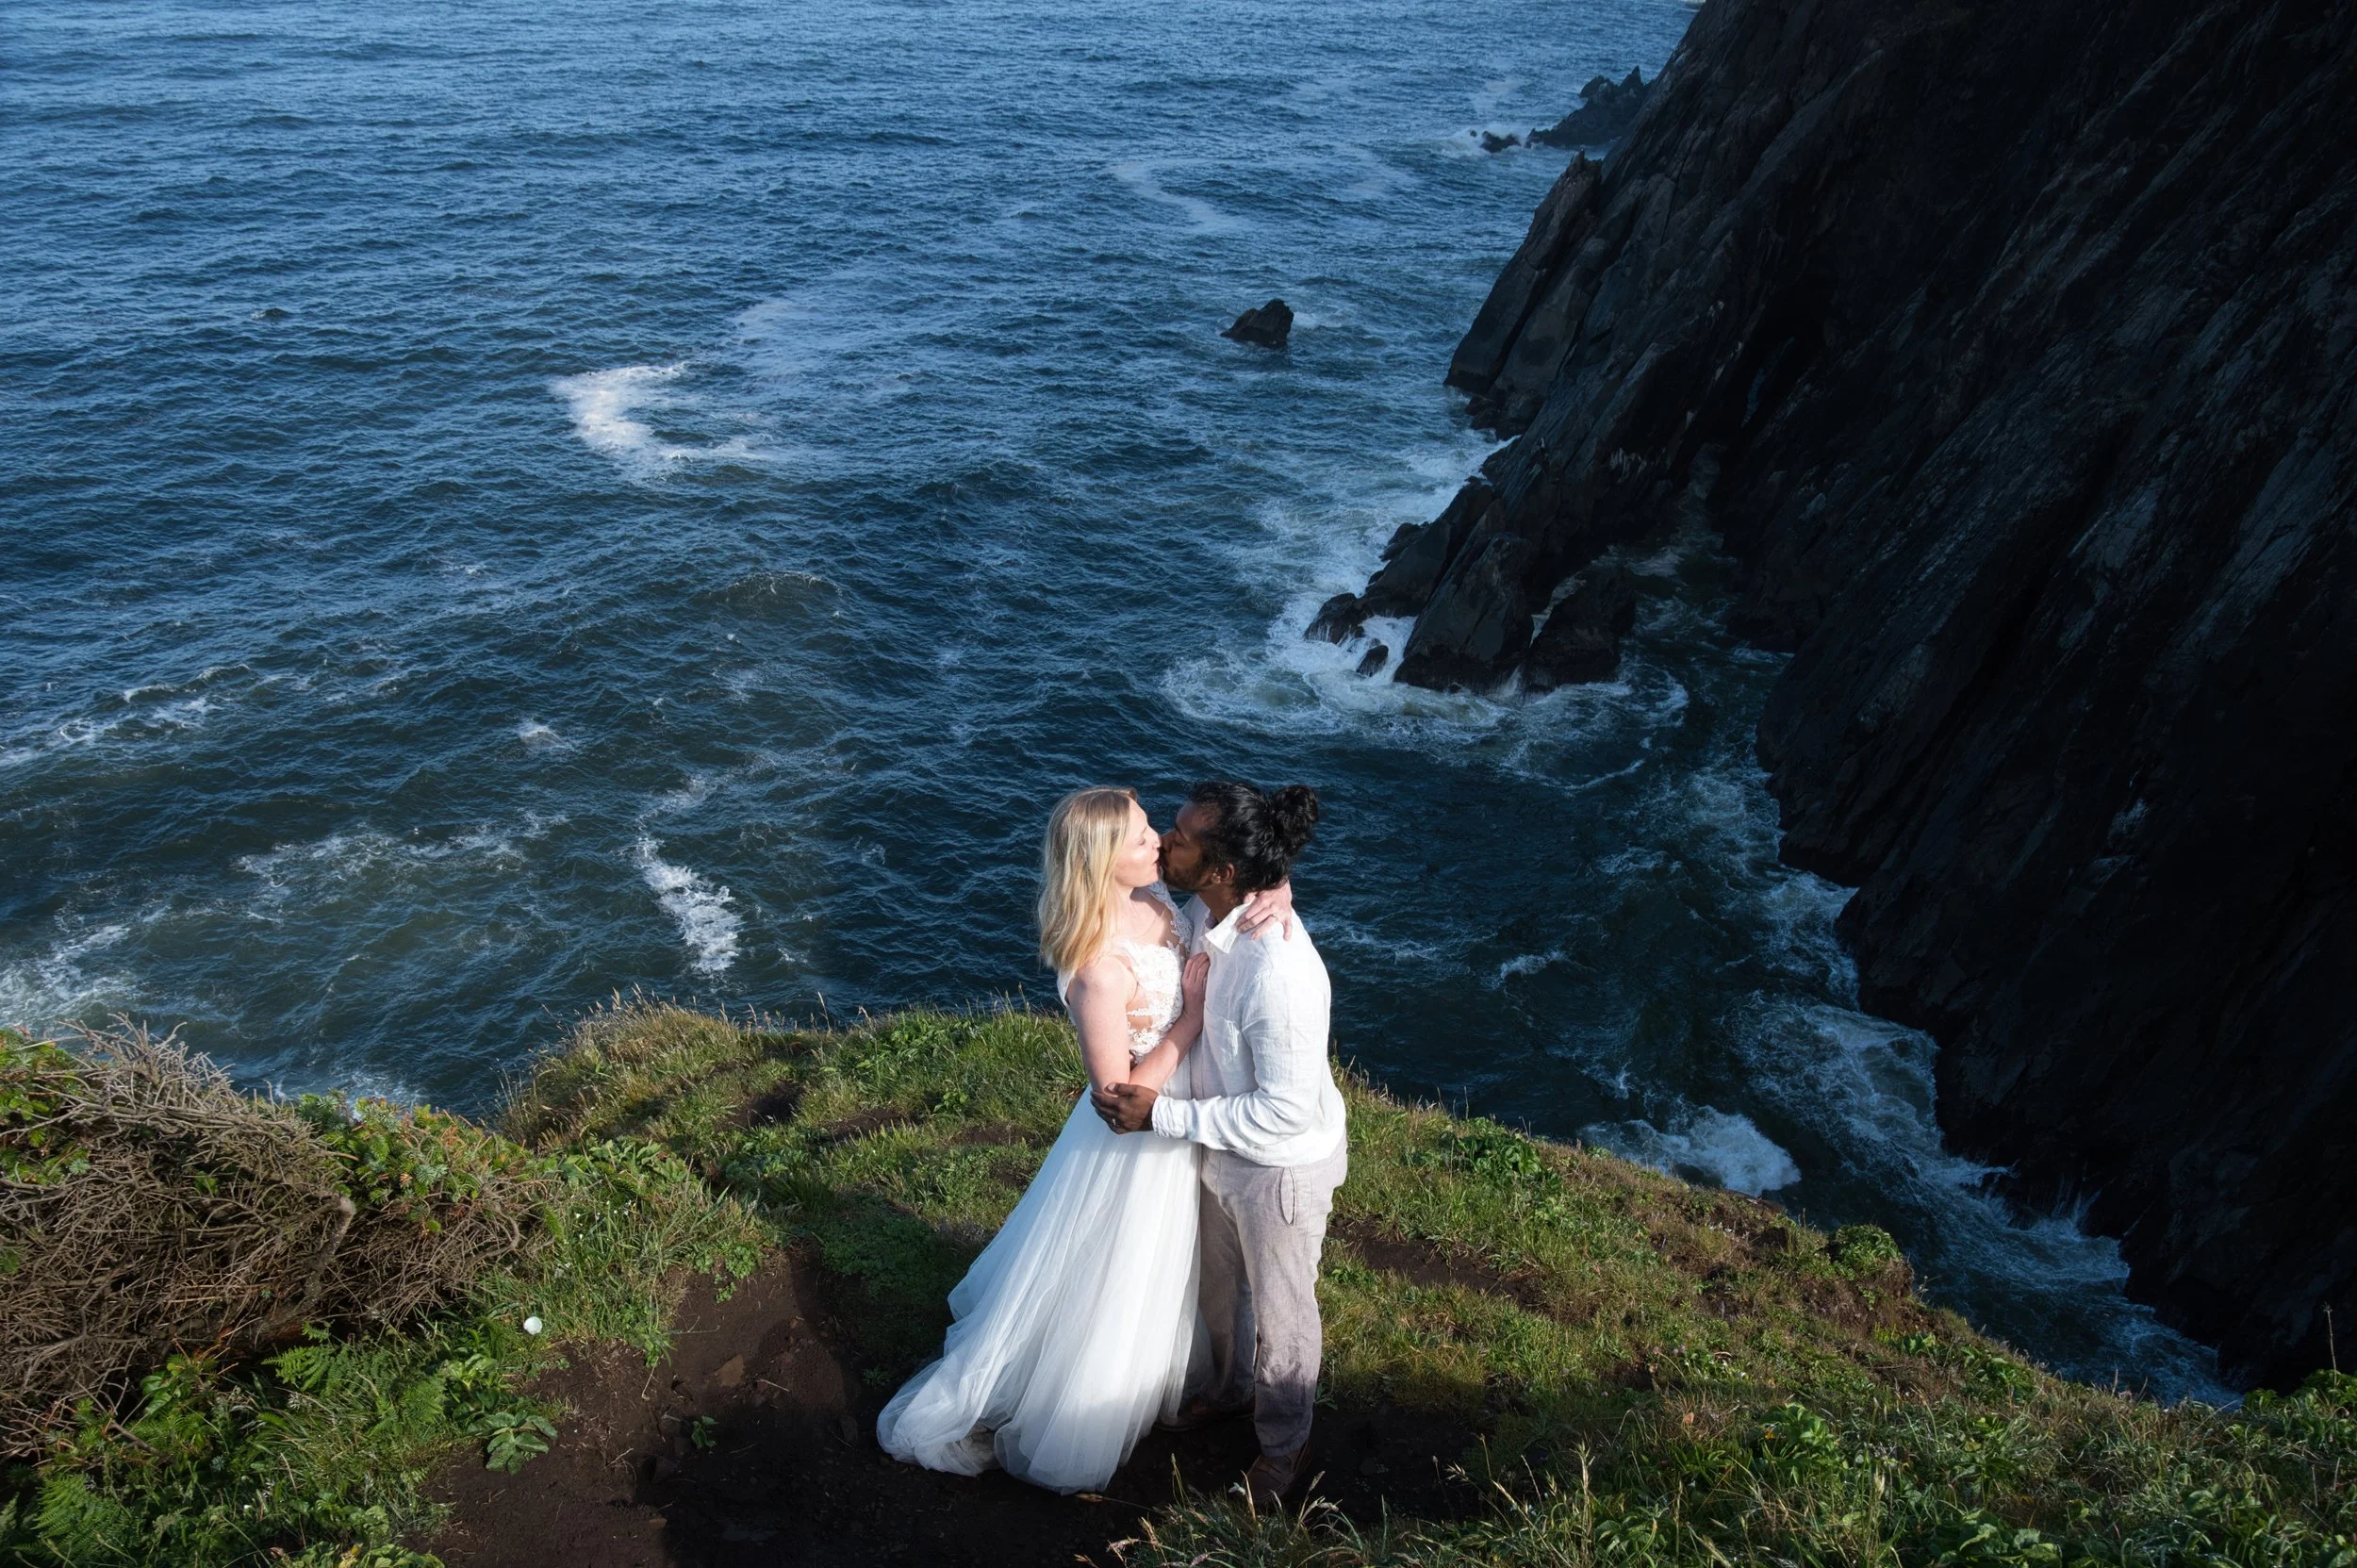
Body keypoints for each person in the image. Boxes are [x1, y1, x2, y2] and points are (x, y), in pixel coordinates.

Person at [873, 786, 1291, 1494]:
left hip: (1189, 1117)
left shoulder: (1159, 897)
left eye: (1151, 827)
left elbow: (1233, 866)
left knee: (1183, 1262)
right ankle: (1085, 1401)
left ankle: (1192, 1375)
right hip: (1136, 1143)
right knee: (1124, 1266)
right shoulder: (1098, 965)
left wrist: (1277, 883)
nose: (1158, 840)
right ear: (1103, 864)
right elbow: (1117, 1094)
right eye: (1139, 837)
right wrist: (1190, 1020)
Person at [1094, 780, 1343, 1509]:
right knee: (1220, 1290)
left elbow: (1285, 1115)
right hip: (1220, 1150)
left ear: (1224, 870)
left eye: (1182, 836)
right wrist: (1281, 881)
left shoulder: (1279, 974)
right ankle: (1231, 1392)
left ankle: (1283, 1447)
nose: (1166, 842)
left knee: (1284, 1314)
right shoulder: (1210, 912)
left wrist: (1165, 1120)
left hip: (1279, 1171)